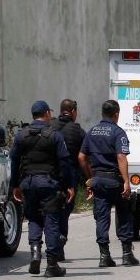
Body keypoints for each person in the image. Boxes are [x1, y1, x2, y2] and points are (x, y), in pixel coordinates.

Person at [10, 101, 75, 278]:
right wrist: (68, 185)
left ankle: (36, 251)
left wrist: (14, 186)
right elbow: (64, 162)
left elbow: (14, 162)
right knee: (51, 221)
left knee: (34, 218)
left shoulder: (21, 135)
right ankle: (52, 263)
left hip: (28, 183)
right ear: (46, 113)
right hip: (48, 183)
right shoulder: (54, 136)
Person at [78, 100, 139, 268]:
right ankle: (127, 254)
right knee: (124, 213)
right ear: (116, 114)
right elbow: (121, 157)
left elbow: (81, 157)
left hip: (98, 180)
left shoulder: (91, 132)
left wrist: (90, 177)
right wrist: (126, 181)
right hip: (114, 180)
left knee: (101, 218)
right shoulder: (118, 132)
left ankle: (104, 256)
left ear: (102, 113)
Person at [49, 99, 86, 261]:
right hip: (69, 176)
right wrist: (87, 180)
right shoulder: (78, 131)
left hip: (49, 175)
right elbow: (82, 157)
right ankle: (60, 239)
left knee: (50, 210)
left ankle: (52, 242)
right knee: (65, 209)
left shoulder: (49, 126)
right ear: (72, 112)